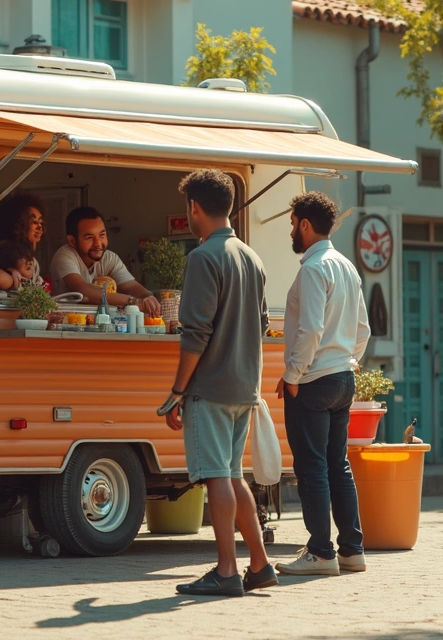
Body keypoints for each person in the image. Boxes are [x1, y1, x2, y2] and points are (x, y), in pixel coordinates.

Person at [164, 169, 273, 597]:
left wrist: (178, 390)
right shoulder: (252, 257)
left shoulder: (203, 257)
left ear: (194, 208)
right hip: (245, 387)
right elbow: (262, 326)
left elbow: (195, 334)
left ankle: (227, 570)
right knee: (232, 475)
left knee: (216, 478)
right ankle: (259, 565)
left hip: (209, 388)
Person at [274, 192, 371, 577]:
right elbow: (363, 330)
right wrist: (346, 362)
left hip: (314, 381)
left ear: (305, 224)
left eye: (292, 224)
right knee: (337, 465)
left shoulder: (313, 269)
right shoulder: (347, 266)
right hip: (343, 377)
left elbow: (311, 328)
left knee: (312, 467)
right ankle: (352, 550)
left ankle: (320, 552)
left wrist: (293, 375)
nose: (291, 232)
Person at [49, 207, 163, 316]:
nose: (98, 243)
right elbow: (82, 290)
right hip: (65, 322)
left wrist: (149, 298)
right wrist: (133, 301)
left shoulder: (109, 258)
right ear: (72, 241)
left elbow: (131, 286)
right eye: (89, 237)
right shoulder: (64, 255)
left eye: (102, 235)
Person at [0, 192, 48, 290]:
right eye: (34, 222)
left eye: (41, 222)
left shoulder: (27, 253)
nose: (40, 227)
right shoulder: (12, 252)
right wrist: (11, 280)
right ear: (17, 225)